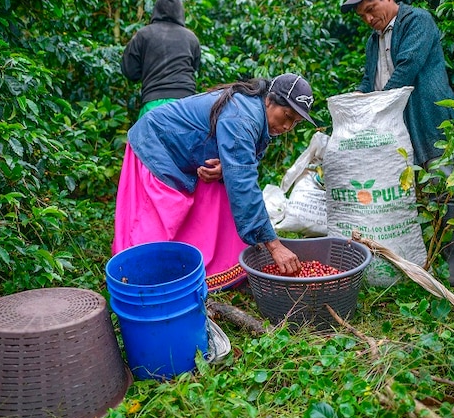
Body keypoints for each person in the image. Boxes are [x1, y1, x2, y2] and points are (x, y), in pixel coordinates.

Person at [112, 74, 317, 290]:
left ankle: (216, 273)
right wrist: (274, 246)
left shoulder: (255, 112)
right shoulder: (242, 116)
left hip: (186, 153)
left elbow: (243, 162)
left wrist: (226, 167)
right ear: (270, 99)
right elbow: (243, 184)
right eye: (286, 116)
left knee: (220, 199)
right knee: (159, 220)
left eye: (295, 122)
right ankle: (134, 282)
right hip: (155, 143)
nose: (287, 126)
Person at [340, 0, 454, 285]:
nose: (368, 18)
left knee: (446, 188)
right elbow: (370, 81)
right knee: (411, 192)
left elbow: (407, 69)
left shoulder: (417, 22)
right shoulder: (374, 41)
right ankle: (420, 255)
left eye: (371, 9)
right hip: (395, 129)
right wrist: (356, 103)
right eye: (362, 15)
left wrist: (374, 107)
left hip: (429, 121)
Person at [121, 0, 202, 119]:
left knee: (144, 138)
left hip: (153, 103)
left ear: (156, 9)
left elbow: (130, 71)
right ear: (181, 12)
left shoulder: (144, 34)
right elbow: (195, 67)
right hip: (186, 105)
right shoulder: (191, 38)